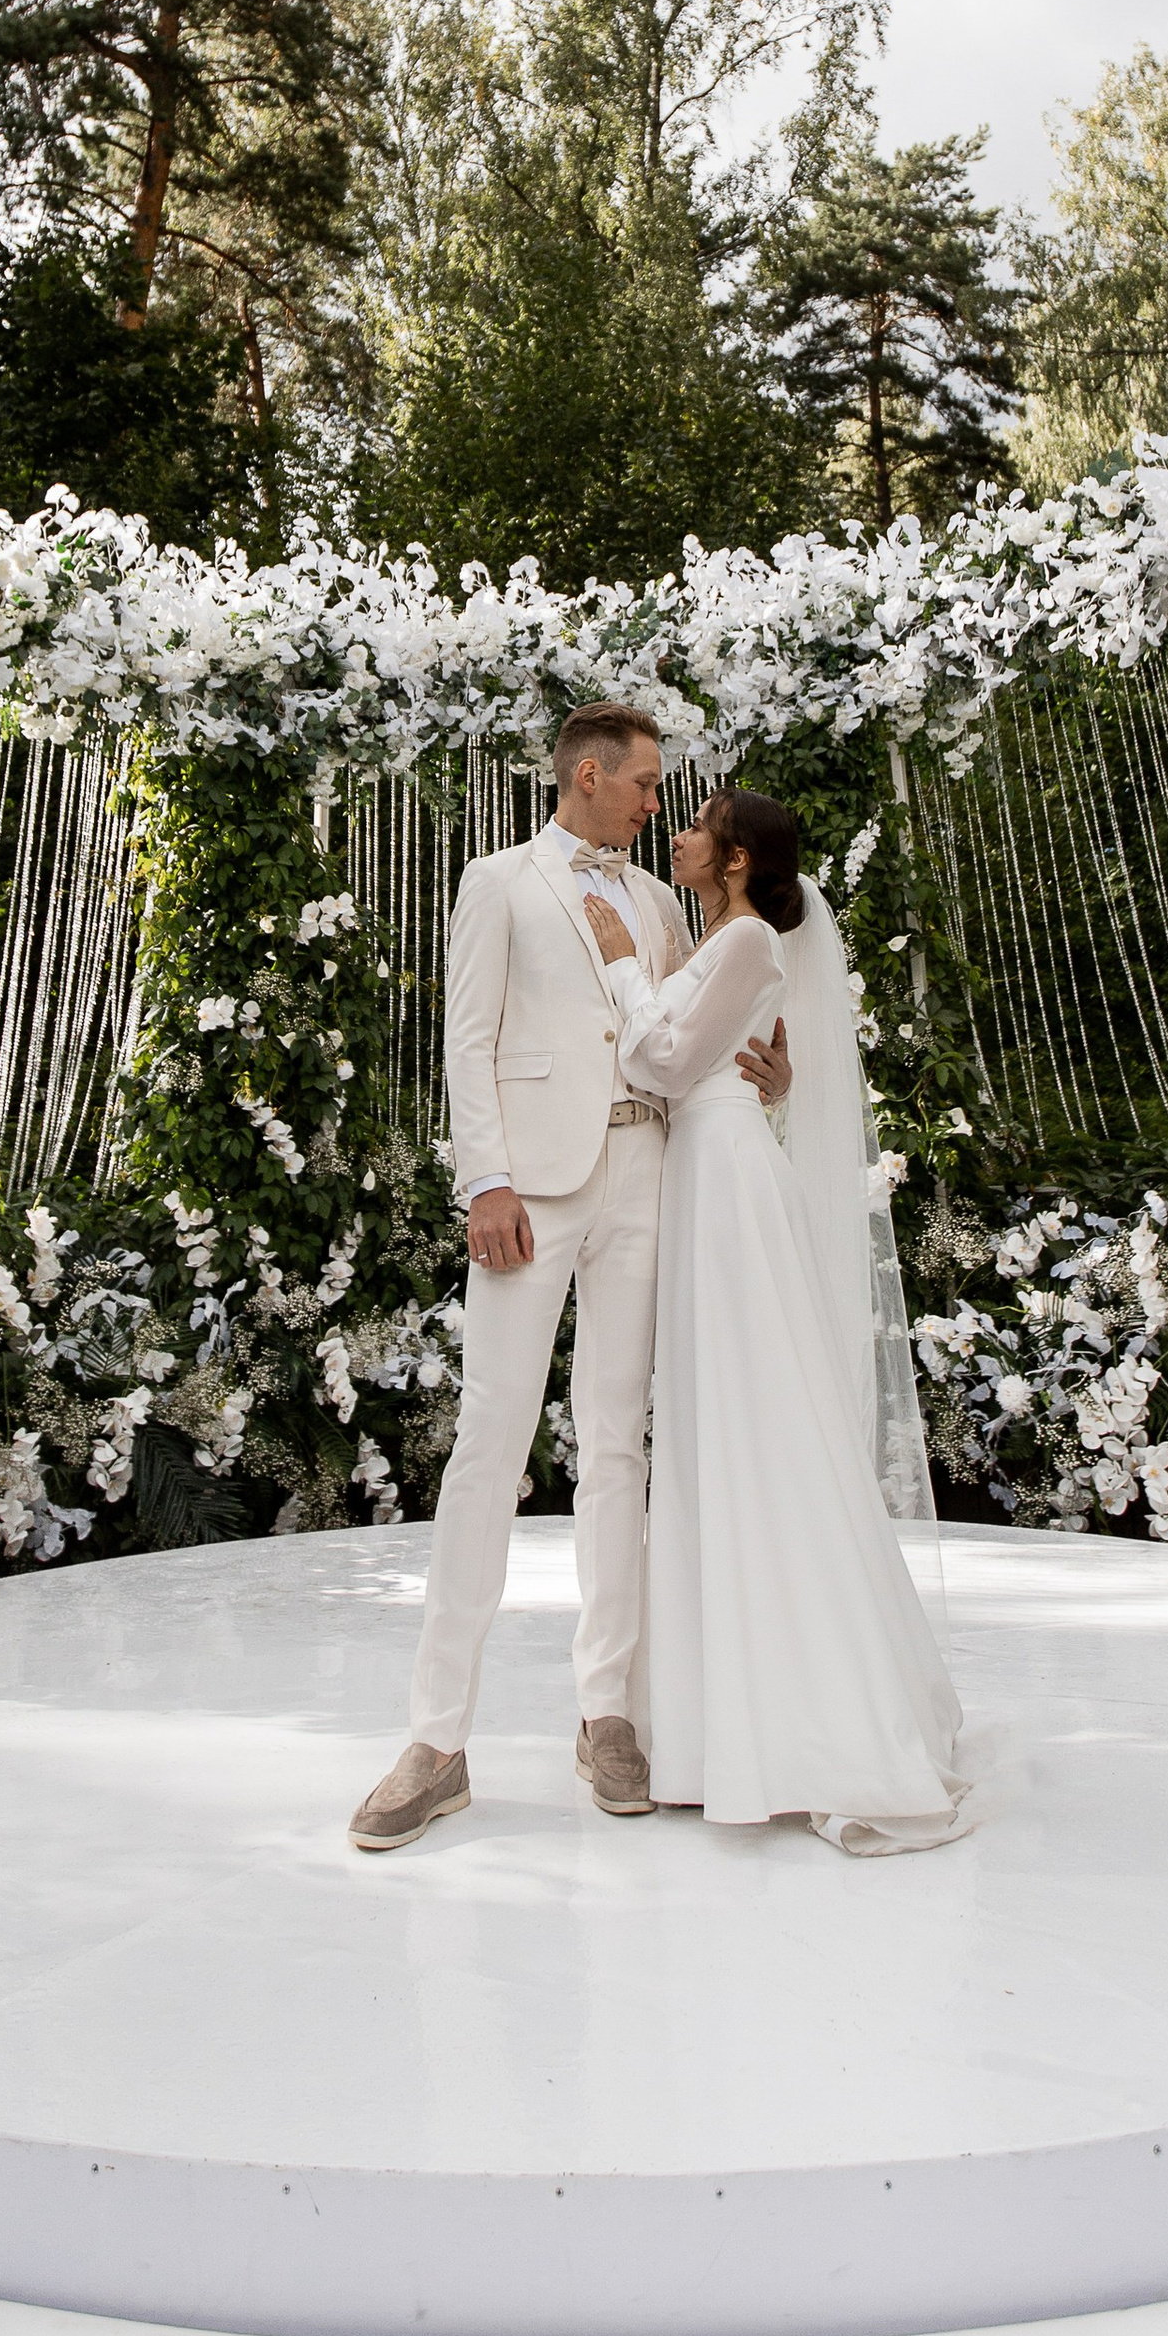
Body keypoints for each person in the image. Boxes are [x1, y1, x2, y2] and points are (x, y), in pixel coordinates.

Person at [348, 706, 787, 1852]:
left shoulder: (658, 905)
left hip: (648, 1174)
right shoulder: (496, 881)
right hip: (531, 1194)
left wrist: (770, 1074)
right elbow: (469, 1038)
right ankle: (435, 1741)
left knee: (615, 1447)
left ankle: (608, 1714)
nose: (655, 804)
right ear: (585, 777)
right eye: (643, 784)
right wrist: (484, 1179)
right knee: (490, 1441)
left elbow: (694, 1038)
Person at [599, 789, 970, 1854]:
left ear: (737, 854)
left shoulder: (750, 937)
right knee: (716, 1420)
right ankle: (722, 1724)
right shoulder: (722, 936)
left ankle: (806, 1716)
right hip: (699, 1169)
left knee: (752, 1414)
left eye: (696, 821)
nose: (675, 831)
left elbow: (665, 1062)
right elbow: (695, 1051)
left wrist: (624, 965)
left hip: (722, 1178)